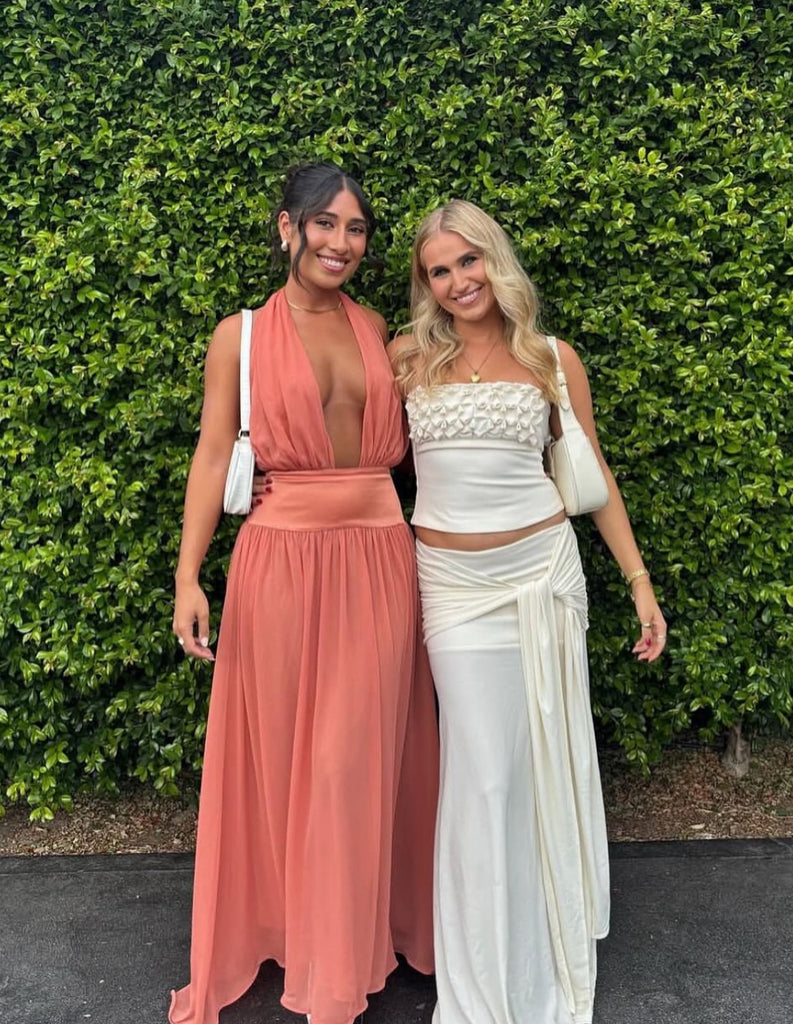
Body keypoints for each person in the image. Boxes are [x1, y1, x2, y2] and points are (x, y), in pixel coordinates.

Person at [169, 163, 438, 1024]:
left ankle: (350, 948)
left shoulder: (378, 330)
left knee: (351, 758)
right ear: (287, 227)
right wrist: (187, 574)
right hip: (279, 563)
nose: (341, 243)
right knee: (290, 759)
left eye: (356, 229)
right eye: (325, 223)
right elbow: (214, 453)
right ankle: (306, 941)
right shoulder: (239, 336)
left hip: (380, 560)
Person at [389, 199, 667, 1024]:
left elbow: (590, 472)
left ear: (493, 259)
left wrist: (638, 582)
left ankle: (540, 953)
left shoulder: (550, 357)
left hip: (541, 576)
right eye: (439, 271)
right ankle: (478, 989)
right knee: (483, 774)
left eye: (467, 261)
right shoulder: (406, 356)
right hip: (450, 586)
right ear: (426, 284)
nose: (457, 282)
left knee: (540, 767)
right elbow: (349, 441)